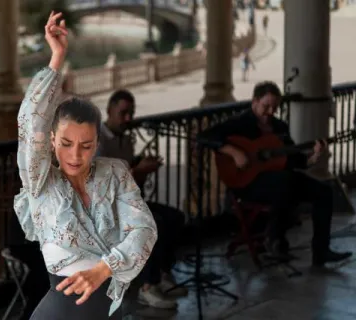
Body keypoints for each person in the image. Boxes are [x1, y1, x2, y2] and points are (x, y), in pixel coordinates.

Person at [14, 12, 157, 320]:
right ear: (51, 140)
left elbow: (144, 230)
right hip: (61, 309)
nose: (75, 155)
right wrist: (57, 58)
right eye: (66, 144)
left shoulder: (115, 172)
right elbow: (31, 122)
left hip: (109, 308)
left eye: (86, 145)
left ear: (97, 143)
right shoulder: (41, 182)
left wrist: (104, 269)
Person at [197, 81, 352, 266]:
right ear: (254, 102)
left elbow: (294, 161)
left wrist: (314, 156)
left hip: (280, 181)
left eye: (274, 107)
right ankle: (275, 238)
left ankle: (321, 251)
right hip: (246, 183)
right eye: (266, 106)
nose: (270, 112)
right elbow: (203, 137)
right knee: (286, 182)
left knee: (324, 191)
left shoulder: (280, 127)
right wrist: (234, 152)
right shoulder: (240, 123)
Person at [96, 89, 187, 309]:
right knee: (153, 223)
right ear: (109, 111)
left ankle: (163, 274)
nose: (128, 119)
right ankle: (148, 287)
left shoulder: (126, 140)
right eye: (123, 113)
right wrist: (138, 170)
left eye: (131, 114)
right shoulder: (97, 140)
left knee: (175, 217)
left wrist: (143, 167)